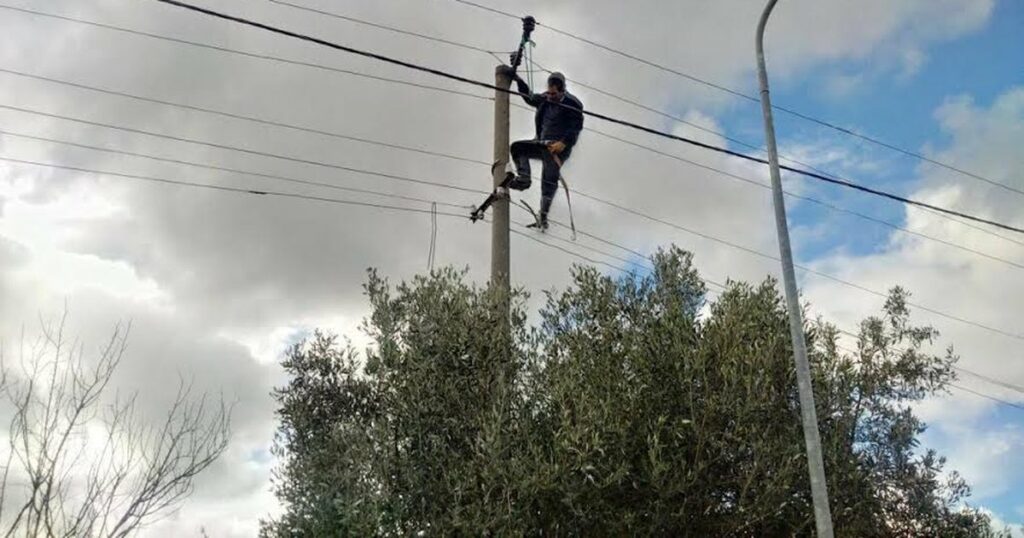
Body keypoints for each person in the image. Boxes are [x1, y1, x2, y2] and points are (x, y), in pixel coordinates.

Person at [500, 68, 584, 230]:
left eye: (555, 95)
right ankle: (524, 178)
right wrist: (518, 80)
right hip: (541, 143)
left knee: (549, 179)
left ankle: (543, 216)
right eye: (550, 93)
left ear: (562, 91)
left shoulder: (572, 104)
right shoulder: (545, 99)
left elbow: (576, 127)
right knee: (518, 148)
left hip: (557, 148)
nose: (551, 97)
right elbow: (529, 97)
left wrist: (564, 143)